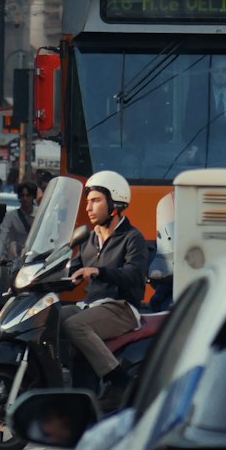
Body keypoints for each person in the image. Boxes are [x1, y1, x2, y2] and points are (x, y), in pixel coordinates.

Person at [60, 170, 149, 411]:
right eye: (88, 201)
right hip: (92, 306)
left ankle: (117, 378)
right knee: (51, 317)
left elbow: (135, 275)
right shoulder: (89, 240)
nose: (88, 207)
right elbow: (73, 271)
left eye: (96, 200)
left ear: (114, 205)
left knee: (75, 324)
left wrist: (99, 271)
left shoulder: (132, 238)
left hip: (121, 308)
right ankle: (66, 387)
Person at [0, 178, 37, 266]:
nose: (25, 199)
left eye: (28, 196)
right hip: (16, 261)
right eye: (22, 196)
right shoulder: (11, 216)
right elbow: (2, 236)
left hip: (35, 260)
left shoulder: (40, 214)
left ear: (33, 197)